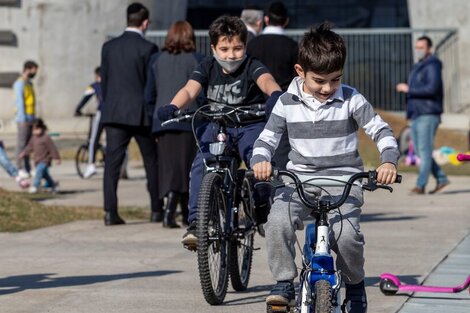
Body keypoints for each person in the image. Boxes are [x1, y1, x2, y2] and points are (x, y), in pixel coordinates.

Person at [251, 23, 399, 312]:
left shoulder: (351, 98)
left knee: (346, 236)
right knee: (277, 221)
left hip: (344, 180)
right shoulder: (285, 102)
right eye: (319, 80)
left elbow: (381, 131)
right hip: (298, 180)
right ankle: (283, 282)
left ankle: (355, 284)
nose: (328, 88)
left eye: (335, 79)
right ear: (299, 71)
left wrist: (388, 160)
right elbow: (266, 139)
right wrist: (261, 161)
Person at [157, 15, 281, 248]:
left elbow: (267, 81)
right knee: (200, 164)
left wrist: (275, 95)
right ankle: (196, 223)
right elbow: (189, 90)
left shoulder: (251, 64)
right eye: (224, 49)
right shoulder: (207, 66)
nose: (231, 54)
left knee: (259, 161)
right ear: (213, 47)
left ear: (245, 46)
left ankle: (262, 204)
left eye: (237, 48)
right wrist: (173, 106)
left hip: (249, 124)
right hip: (216, 123)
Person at [100, 2, 163, 226]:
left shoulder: (108, 47)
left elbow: (105, 82)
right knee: (151, 162)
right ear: (145, 23)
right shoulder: (149, 49)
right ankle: (157, 209)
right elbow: (150, 86)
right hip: (140, 114)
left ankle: (110, 211)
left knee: (112, 165)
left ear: (127, 19)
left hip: (114, 113)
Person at [144, 20, 203, 228]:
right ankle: (178, 211)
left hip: (163, 121)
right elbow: (202, 94)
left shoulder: (156, 60)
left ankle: (172, 207)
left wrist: (154, 119)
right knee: (187, 167)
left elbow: (149, 95)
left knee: (169, 168)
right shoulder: (197, 59)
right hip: (189, 119)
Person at [247, 1, 298, 169]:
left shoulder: (252, 44)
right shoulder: (292, 46)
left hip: (255, 107)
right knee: (280, 154)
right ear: (286, 21)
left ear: (266, 19)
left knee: (256, 153)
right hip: (283, 104)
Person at [396, 35, 450, 195]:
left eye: (421, 47)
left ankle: (420, 185)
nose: (418, 50)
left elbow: (432, 88)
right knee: (420, 152)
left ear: (429, 49)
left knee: (424, 151)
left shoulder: (432, 65)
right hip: (418, 113)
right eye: (416, 47)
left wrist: (408, 89)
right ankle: (441, 179)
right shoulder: (419, 65)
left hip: (428, 113)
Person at [74, 67, 129, 179]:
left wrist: (78, 110)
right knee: (117, 141)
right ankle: (123, 169)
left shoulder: (94, 85)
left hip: (102, 114)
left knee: (94, 139)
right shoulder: (114, 84)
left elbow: (85, 98)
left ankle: (91, 165)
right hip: (115, 115)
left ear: (97, 75)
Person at [19, 119, 61, 194]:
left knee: (39, 172)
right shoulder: (33, 138)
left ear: (42, 128)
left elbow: (52, 148)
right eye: (33, 129)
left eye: (37, 129)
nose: (35, 131)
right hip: (37, 160)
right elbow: (29, 147)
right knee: (45, 175)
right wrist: (24, 153)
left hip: (45, 160)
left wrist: (56, 158)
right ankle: (54, 185)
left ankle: (35, 186)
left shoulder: (46, 138)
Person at [13, 60, 39, 177]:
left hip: (31, 117)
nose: (35, 73)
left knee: (29, 145)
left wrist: (33, 119)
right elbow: (20, 102)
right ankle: (20, 168)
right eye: (34, 70)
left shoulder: (29, 83)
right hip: (23, 118)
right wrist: (23, 119)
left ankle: (28, 168)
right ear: (27, 69)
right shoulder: (20, 83)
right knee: (21, 144)